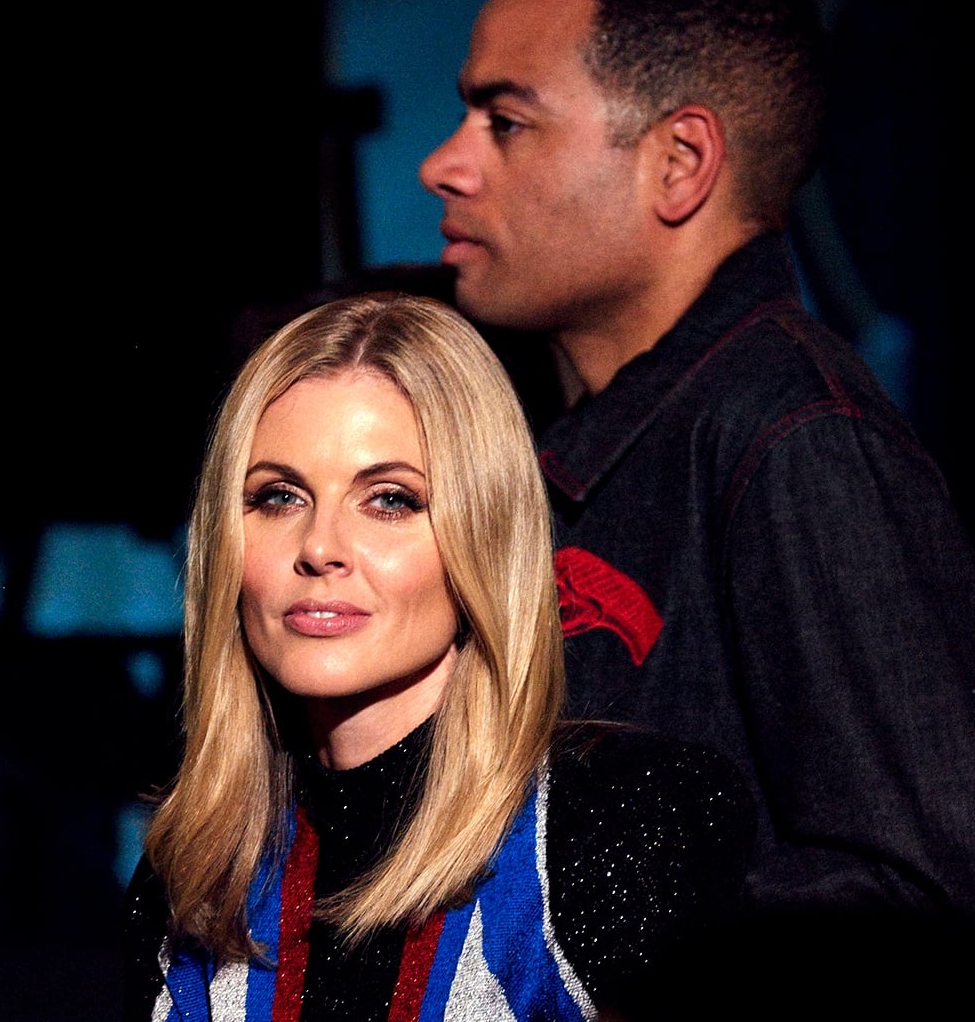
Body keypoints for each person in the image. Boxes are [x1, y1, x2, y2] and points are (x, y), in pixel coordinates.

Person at [417, 0, 975, 943]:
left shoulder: (798, 440)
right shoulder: (584, 439)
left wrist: (569, 945)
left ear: (680, 162)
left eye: (506, 121)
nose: (443, 163)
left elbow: (935, 909)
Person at [124, 292, 753, 1020]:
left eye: (390, 500)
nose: (319, 547)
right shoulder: (191, 876)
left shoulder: (621, 819)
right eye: (279, 497)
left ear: (484, 534)